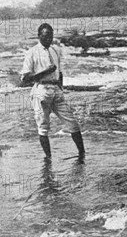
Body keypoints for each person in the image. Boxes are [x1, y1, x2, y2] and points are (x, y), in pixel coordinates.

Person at [21, 23, 85, 160]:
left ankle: (82, 154)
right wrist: (45, 72)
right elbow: (25, 79)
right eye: (45, 36)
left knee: (73, 123)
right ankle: (48, 159)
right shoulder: (31, 52)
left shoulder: (55, 50)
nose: (48, 39)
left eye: (50, 36)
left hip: (56, 89)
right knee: (43, 126)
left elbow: (60, 73)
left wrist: (61, 88)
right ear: (39, 36)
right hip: (41, 90)